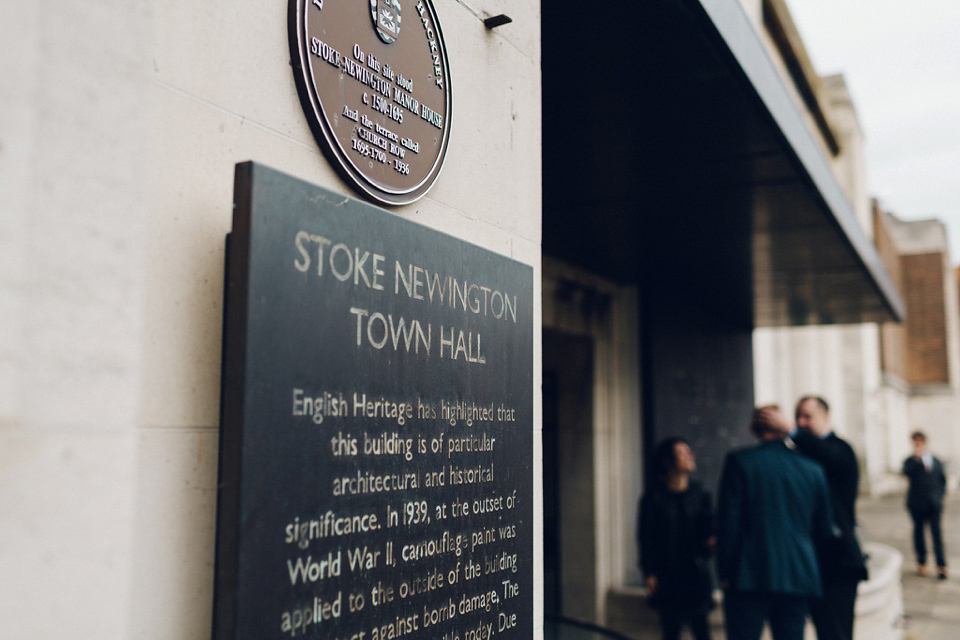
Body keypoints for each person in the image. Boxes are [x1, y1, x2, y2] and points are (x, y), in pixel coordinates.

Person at [717, 406, 834, 640]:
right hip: (798, 575)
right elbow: (824, 530)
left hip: (747, 576)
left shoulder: (740, 462)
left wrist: (725, 572)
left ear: (753, 429)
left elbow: (728, 523)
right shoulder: (813, 470)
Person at [756, 398, 868, 640]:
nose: (801, 422)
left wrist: (790, 429)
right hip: (806, 563)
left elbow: (828, 456)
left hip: (837, 564)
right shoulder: (797, 453)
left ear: (826, 416)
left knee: (835, 634)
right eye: (798, 417)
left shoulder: (841, 449)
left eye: (808, 416)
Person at [638, 437, 714, 640]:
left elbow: (709, 529)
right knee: (670, 631)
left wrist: (710, 542)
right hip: (668, 574)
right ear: (668, 460)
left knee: (702, 630)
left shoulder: (701, 492)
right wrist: (649, 571)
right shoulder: (653, 497)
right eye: (682, 452)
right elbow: (646, 537)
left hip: (696, 573)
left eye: (689, 451)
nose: (689, 456)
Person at [902, 431, 948, 579]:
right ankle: (921, 562)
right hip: (917, 504)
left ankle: (941, 565)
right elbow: (907, 473)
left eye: (921, 442)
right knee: (919, 533)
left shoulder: (936, 460)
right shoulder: (910, 461)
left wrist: (939, 497)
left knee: (937, 535)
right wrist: (917, 459)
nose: (919, 445)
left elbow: (942, 480)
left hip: (934, 504)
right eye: (916, 442)